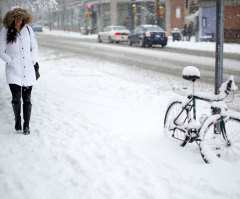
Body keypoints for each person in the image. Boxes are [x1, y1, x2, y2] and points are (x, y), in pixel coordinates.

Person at [0, 8, 38, 135]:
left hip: (28, 70)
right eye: (16, 17)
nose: (18, 20)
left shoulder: (28, 29)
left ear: (24, 18)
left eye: (21, 17)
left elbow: (35, 46)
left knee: (27, 100)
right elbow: (1, 50)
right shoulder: (5, 31)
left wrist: (33, 59)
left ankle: (26, 125)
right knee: (16, 99)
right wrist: (10, 61)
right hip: (13, 71)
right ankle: (18, 119)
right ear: (11, 18)